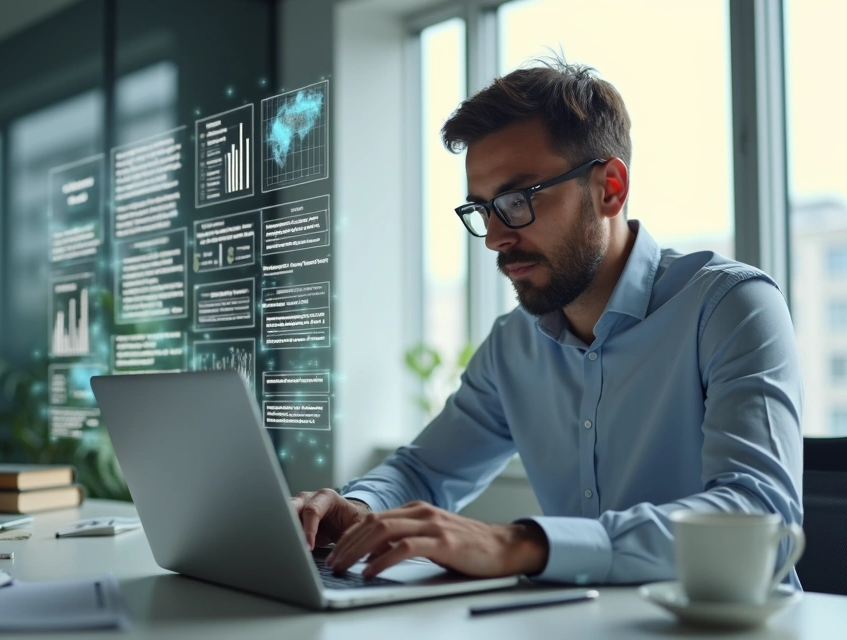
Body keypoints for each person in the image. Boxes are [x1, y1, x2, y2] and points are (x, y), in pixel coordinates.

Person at [293, 56, 803, 586]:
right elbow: (426, 470)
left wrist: (522, 543)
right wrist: (358, 505)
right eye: (483, 209)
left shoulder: (729, 306)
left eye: (518, 200)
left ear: (610, 188)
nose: (494, 237)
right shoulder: (513, 344)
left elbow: (761, 520)